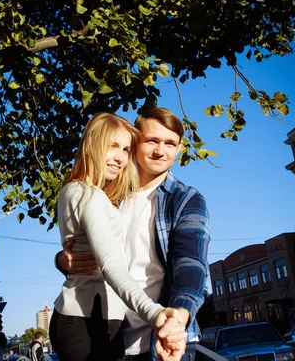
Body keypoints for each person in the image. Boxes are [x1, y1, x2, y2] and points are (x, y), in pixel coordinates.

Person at [56, 107, 210, 361]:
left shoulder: (185, 200)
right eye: (152, 141)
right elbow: (93, 252)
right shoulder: (107, 196)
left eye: (170, 143)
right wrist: (63, 261)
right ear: (136, 143)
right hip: (108, 334)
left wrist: (176, 318)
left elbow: (191, 266)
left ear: (180, 148)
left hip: (162, 339)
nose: (161, 151)